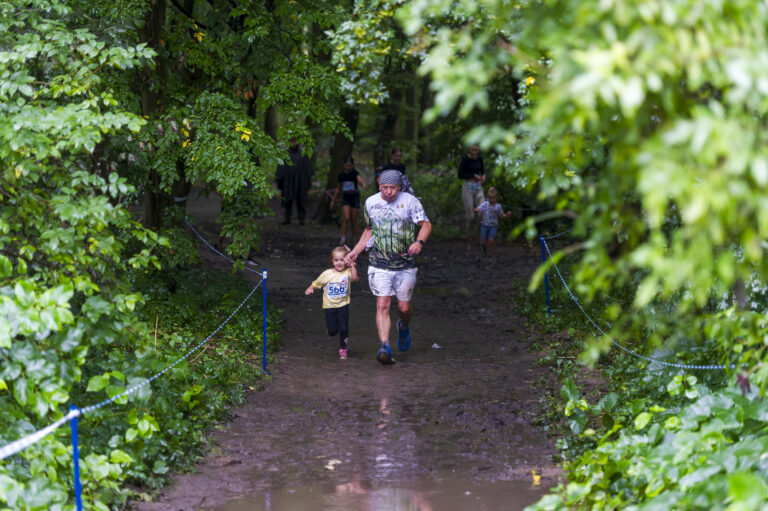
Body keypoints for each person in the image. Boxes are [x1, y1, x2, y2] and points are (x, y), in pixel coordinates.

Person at [345, 169, 431, 365]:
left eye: (392, 188)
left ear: (399, 187)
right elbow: (369, 230)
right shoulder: (371, 203)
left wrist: (419, 243)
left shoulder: (410, 201)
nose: (389, 192)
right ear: (379, 186)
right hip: (379, 263)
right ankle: (385, 346)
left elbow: (426, 225)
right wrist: (356, 252)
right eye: (385, 188)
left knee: (403, 307)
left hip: (405, 264)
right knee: (382, 304)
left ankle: (404, 326)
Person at [305, 246, 359, 360]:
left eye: (341, 260)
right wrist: (311, 288)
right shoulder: (327, 274)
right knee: (333, 331)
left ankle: (343, 349)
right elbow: (317, 282)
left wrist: (353, 265)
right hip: (329, 306)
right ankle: (330, 330)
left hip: (343, 305)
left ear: (346, 261)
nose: (339, 263)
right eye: (336, 260)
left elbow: (354, 278)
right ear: (332, 261)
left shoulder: (348, 272)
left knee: (344, 328)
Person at [275, 137, 313, 225]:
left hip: (300, 181)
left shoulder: (303, 154)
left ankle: (302, 219)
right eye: (292, 142)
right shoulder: (285, 155)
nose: (293, 143)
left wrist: (308, 180)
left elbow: (307, 168)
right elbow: (281, 168)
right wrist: (279, 179)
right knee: (288, 200)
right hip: (288, 181)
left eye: (295, 141)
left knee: (301, 200)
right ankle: (287, 218)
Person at [330, 156, 367, 245]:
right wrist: (333, 200)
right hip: (345, 197)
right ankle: (343, 238)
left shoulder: (354, 173)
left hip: (354, 197)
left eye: (350, 165)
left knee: (354, 219)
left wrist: (363, 183)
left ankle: (354, 239)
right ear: (344, 165)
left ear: (352, 165)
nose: (348, 167)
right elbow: (339, 189)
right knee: (346, 218)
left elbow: (359, 179)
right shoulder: (341, 175)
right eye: (347, 165)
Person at [457, 143, 486, 248]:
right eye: (472, 150)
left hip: (478, 187)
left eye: (476, 150)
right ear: (469, 150)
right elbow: (460, 175)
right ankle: (469, 240)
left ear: (478, 150)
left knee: (482, 212)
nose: (474, 152)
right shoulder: (465, 160)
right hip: (468, 187)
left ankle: (480, 239)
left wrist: (483, 176)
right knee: (471, 216)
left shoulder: (480, 159)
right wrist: (473, 175)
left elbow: (482, 170)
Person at [474, 187, 511, 256]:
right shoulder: (485, 204)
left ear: (496, 197)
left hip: (493, 226)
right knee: (483, 242)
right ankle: (484, 247)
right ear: (487, 197)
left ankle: (490, 255)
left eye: (493, 198)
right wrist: (476, 209)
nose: (492, 200)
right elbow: (479, 208)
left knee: (491, 241)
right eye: (490, 198)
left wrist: (507, 215)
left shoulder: (498, 206)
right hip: (484, 225)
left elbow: (501, 215)